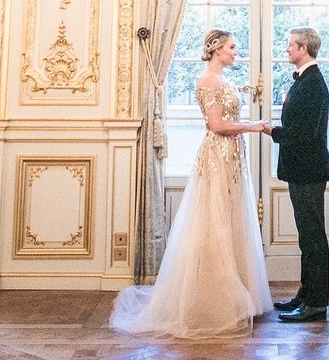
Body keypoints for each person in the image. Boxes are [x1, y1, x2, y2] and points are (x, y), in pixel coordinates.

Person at [110, 29, 273, 338]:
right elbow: (216, 124)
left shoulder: (224, 81)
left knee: (233, 220)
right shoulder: (207, 81)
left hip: (234, 157)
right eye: (232, 47)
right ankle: (214, 299)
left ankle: (241, 296)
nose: (235, 52)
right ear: (215, 50)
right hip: (217, 157)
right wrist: (254, 126)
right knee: (215, 223)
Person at [260, 26, 329, 323]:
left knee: (314, 238)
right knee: (307, 237)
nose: (287, 49)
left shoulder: (313, 83)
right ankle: (306, 294)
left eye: (290, 45)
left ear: (304, 48)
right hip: (300, 170)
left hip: (309, 171)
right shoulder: (305, 80)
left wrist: (272, 130)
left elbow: (305, 133)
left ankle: (316, 304)